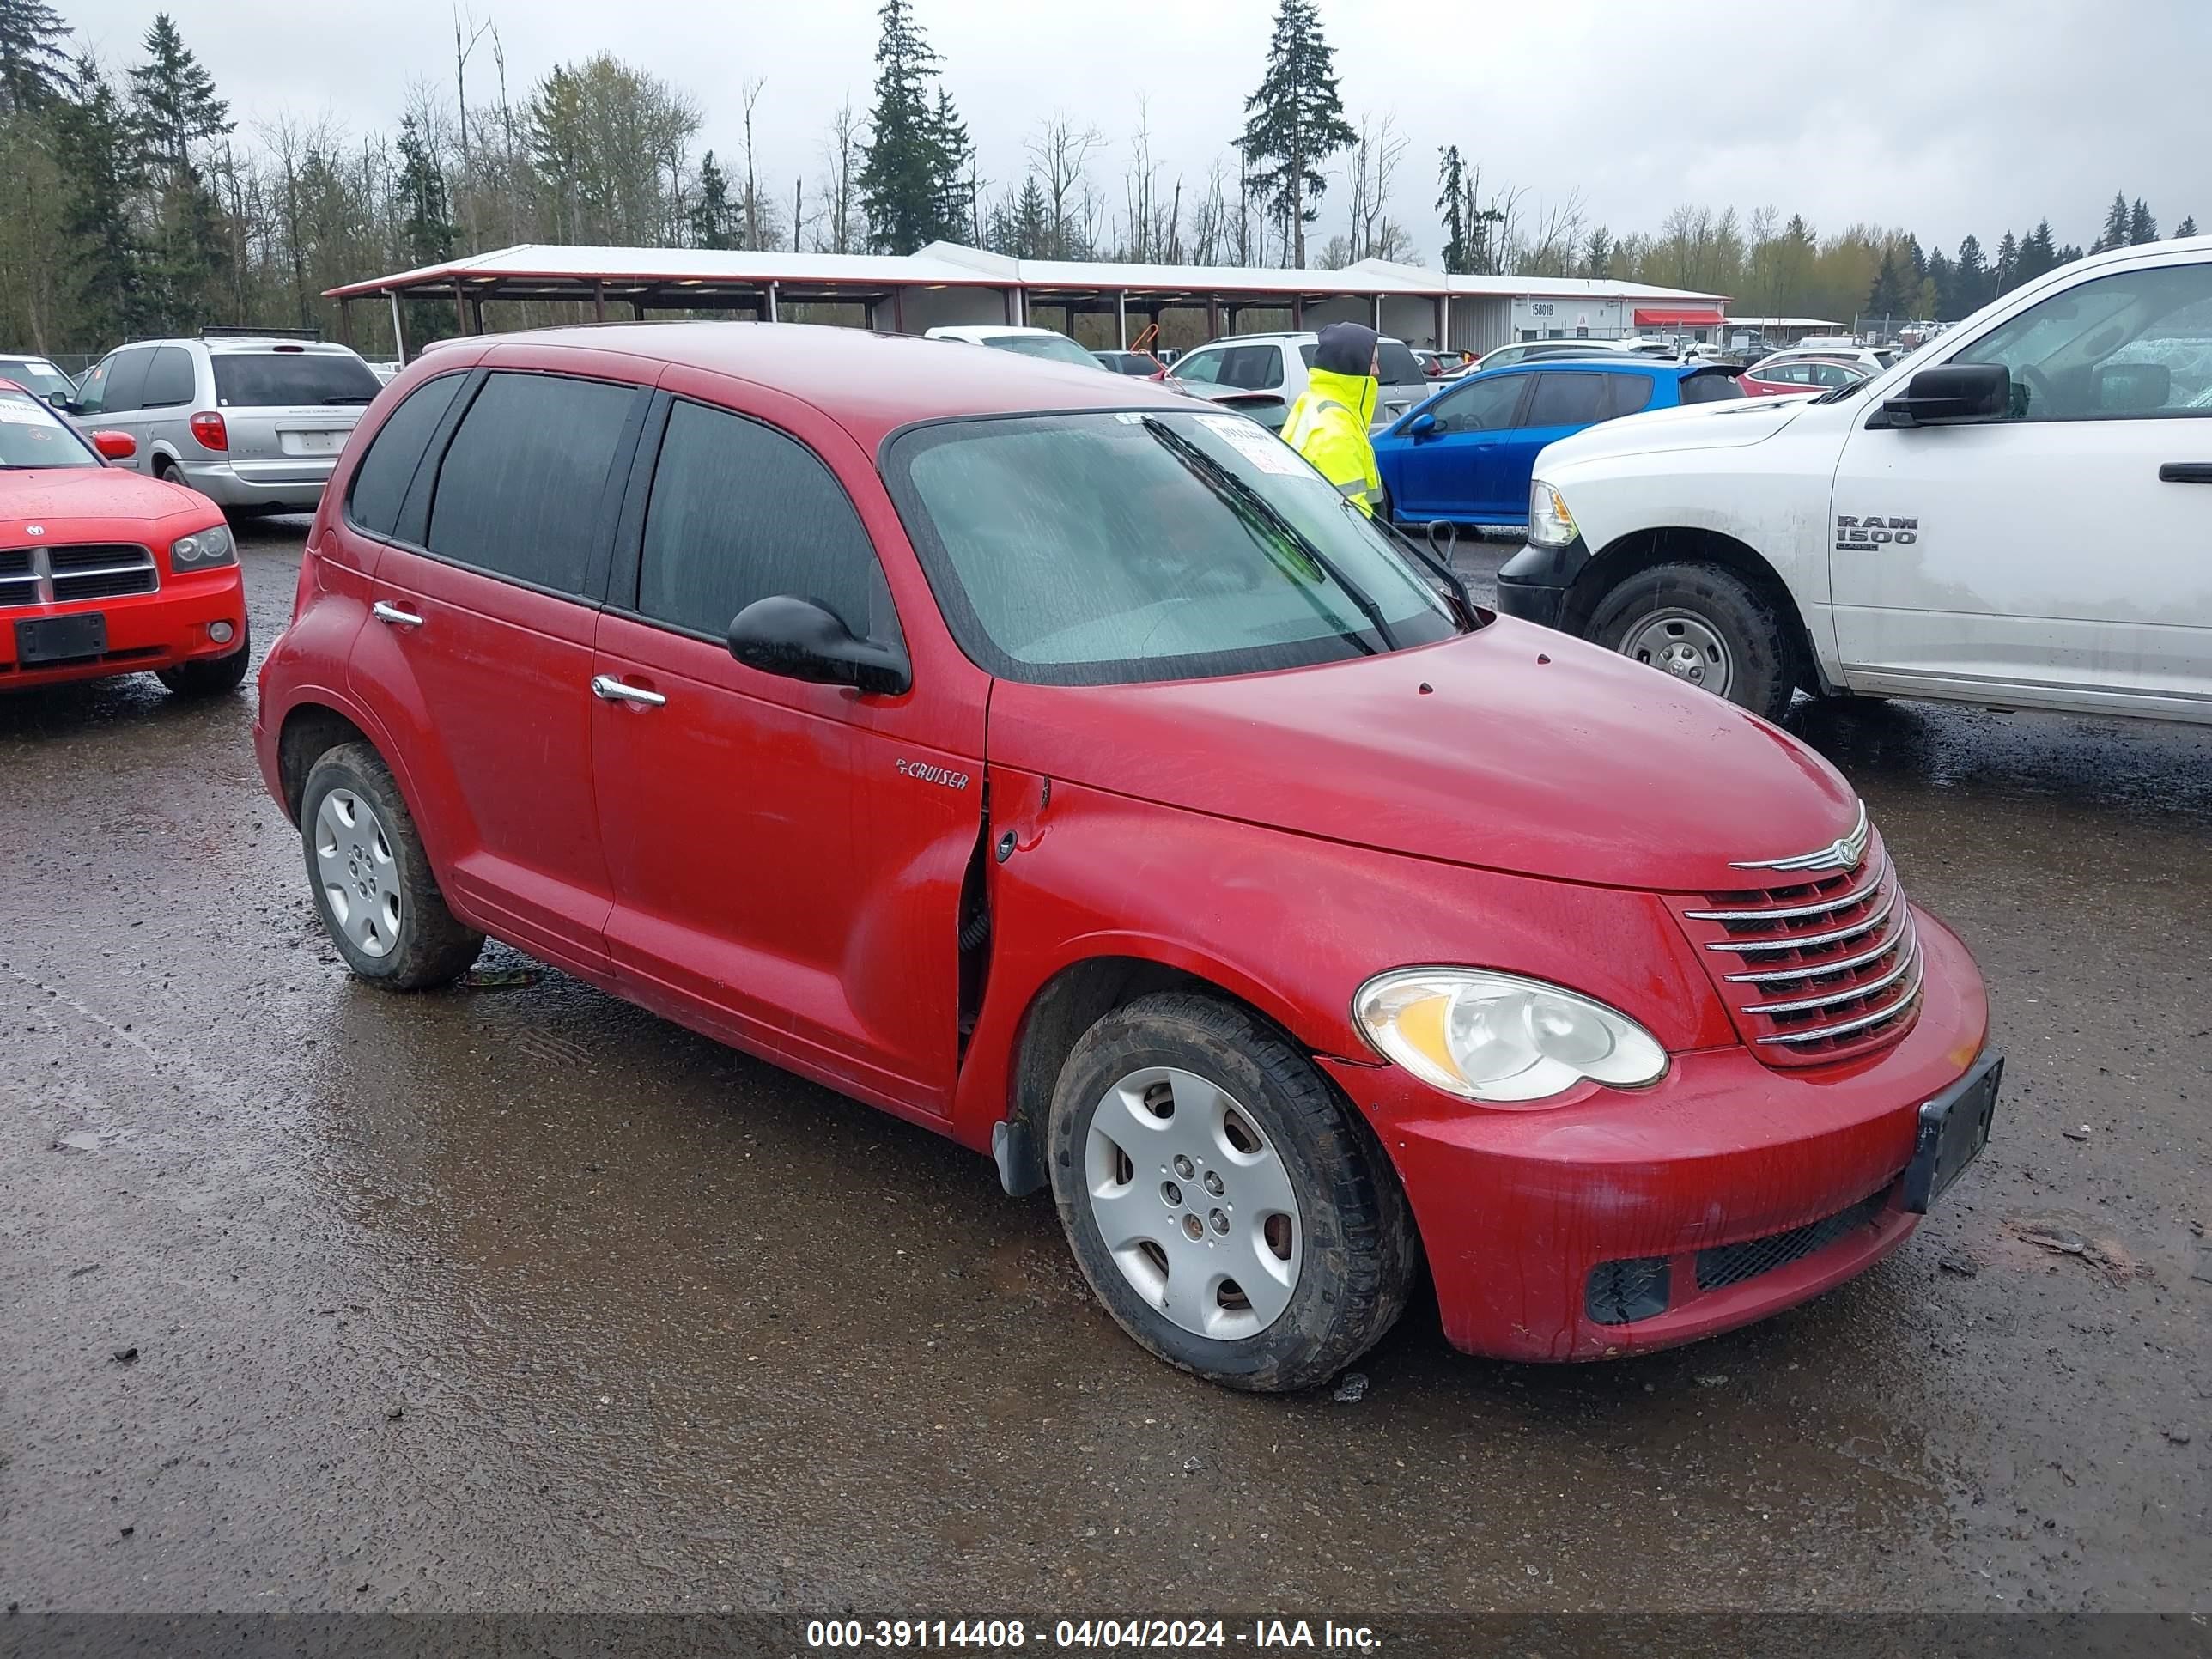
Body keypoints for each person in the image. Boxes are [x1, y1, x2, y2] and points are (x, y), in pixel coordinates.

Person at [1281, 321, 1385, 516]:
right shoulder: (1336, 432)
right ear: (1353, 365)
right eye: (1373, 362)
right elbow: (1349, 519)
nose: (1378, 371)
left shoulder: (1314, 404)